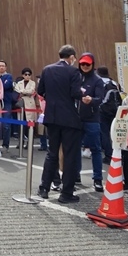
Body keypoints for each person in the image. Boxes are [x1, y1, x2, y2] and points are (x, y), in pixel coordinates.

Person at [37, 45, 84, 203]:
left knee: (52, 153)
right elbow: (75, 93)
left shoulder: (47, 69)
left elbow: (40, 90)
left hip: (52, 116)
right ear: (71, 57)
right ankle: (66, 193)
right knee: (69, 155)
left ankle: (44, 188)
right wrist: (83, 92)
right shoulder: (73, 71)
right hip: (69, 118)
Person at [77, 53, 106, 193]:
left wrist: (91, 100)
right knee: (74, 147)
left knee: (95, 148)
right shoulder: (76, 77)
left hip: (92, 118)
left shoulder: (97, 80)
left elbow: (100, 98)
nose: (85, 66)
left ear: (93, 64)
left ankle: (98, 179)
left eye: (87, 64)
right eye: (82, 64)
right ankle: (75, 175)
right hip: (76, 118)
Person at [97, 66, 120, 161]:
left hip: (103, 110)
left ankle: (108, 155)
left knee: (104, 132)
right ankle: (117, 153)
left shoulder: (99, 82)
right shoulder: (114, 82)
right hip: (115, 110)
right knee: (115, 132)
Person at [17, 68, 39, 149]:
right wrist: (25, 91)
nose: (27, 76)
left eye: (29, 74)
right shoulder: (19, 83)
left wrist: (22, 91)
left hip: (30, 104)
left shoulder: (33, 83)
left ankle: (30, 143)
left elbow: (31, 91)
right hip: (21, 103)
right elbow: (16, 90)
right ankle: (21, 142)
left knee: (30, 124)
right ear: (23, 75)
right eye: (25, 74)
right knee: (21, 124)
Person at [0, 61, 16, 149]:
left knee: (6, 124)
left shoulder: (9, 76)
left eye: (3, 66)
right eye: (0, 66)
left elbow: (6, 86)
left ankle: (5, 144)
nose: (1, 67)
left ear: (6, 67)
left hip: (6, 102)